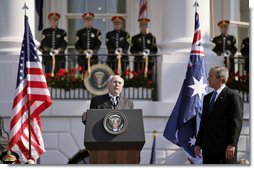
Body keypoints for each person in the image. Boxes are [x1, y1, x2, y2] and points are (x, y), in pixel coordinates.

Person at [194, 66, 243, 164]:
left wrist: (232, 144)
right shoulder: (207, 98)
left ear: (220, 79)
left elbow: (236, 122)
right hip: (208, 150)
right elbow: (204, 122)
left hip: (224, 150)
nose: (207, 78)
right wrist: (198, 143)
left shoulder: (232, 96)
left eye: (210, 76)